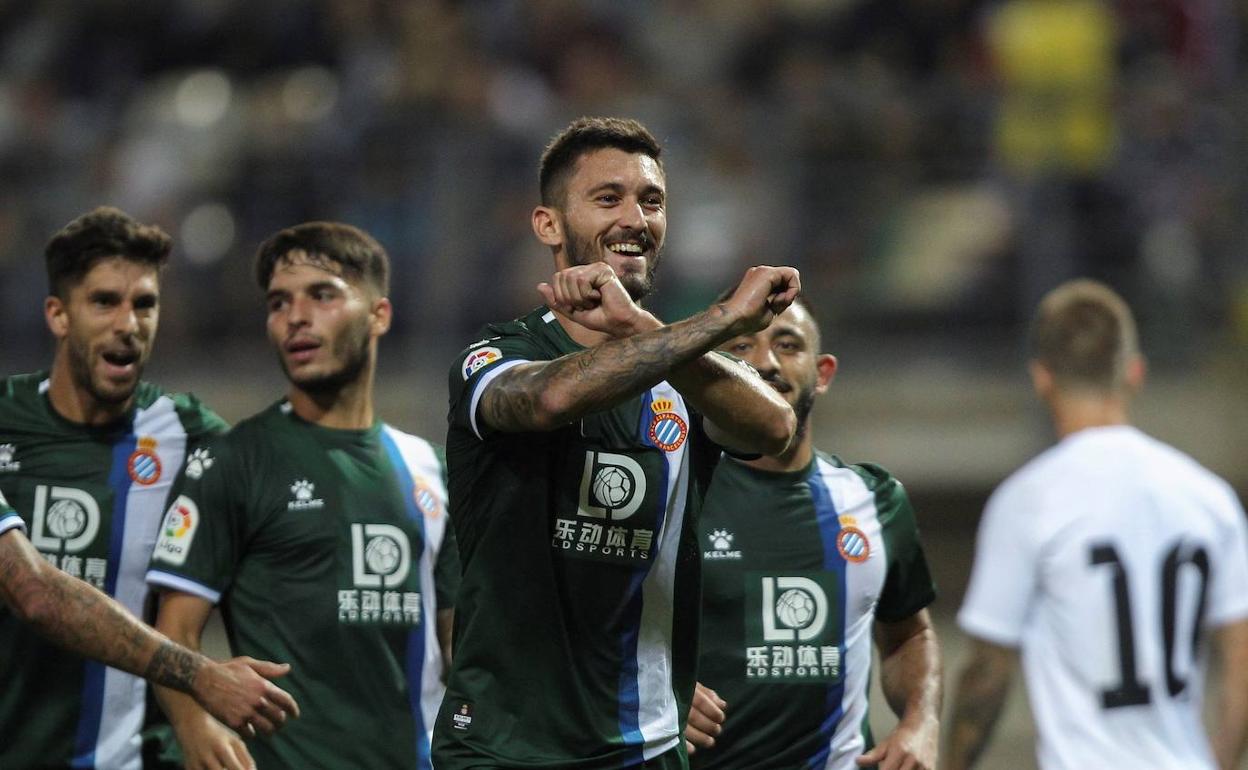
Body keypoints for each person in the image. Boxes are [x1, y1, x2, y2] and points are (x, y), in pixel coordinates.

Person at [432, 116, 800, 770]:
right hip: (505, 748)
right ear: (548, 224)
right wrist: (721, 320)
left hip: (647, 747)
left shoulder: (684, 375)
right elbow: (548, 399)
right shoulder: (493, 354)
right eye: (608, 198)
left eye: (651, 201)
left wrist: (637, 326)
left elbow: (774, 425)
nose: (635, 217)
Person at [146, 221, 460, 770]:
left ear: (379, 315)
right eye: (278, 303)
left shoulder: (433, 469)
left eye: (322, 295)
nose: (295, 317)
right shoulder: (232, 462)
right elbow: (174, 630)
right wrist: (194, 726)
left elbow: (459, 649)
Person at [0, 207, 299, 770]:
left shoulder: (193, 440)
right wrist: (203, 680)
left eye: (145, 303)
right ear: (58, 315)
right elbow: (34, 594)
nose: (128, 324)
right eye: (105, 302)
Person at [945, 279, 1248, 770]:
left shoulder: (1029, 500)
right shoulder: (1210, 498)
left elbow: (986, 673)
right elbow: (1241, 667)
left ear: (1042, 378)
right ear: (1134, 372)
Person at [687, 295, 941, 770]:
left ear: (822, 373)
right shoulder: (675, 494)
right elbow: (588, 629)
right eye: (741, 348)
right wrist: (653, 696)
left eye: (787, 345)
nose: (765, 363)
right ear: (708, 370)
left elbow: (909, 636)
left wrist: (920, 721)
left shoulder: (875, 499)